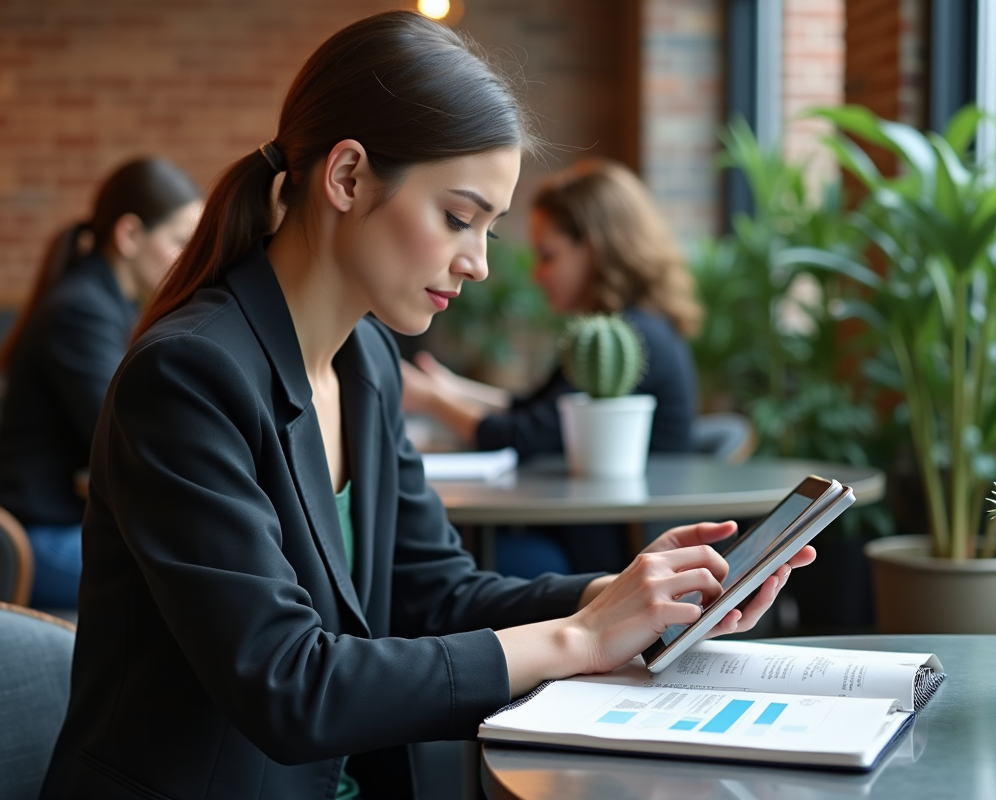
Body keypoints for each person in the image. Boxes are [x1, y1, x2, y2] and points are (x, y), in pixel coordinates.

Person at [39, 12, 812, 800]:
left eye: (489, 229)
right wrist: (581, 638)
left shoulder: (366, 361)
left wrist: (624, 599)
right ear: (346, 178)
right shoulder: (188, 376)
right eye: (457, 217)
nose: (477, 262)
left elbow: (433, 594)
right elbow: (288, 685)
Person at [402, 158, 701, 575]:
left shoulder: (634, 339)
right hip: (582, 539)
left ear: (593, 248)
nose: (538, 275)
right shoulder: (621, 331)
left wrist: (433, 400)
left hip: (604, 557)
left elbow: (522, 433)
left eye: (548, 256)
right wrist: (453, 388)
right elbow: (534, 407)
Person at [0, 158, 202, 608]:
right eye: (181, 241)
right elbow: (124, 438)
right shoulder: (80, 311)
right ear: (128, 236)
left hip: (54, 520)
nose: (190, 259)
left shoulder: (102, 303)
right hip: (35, 537)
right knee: (192, 587)